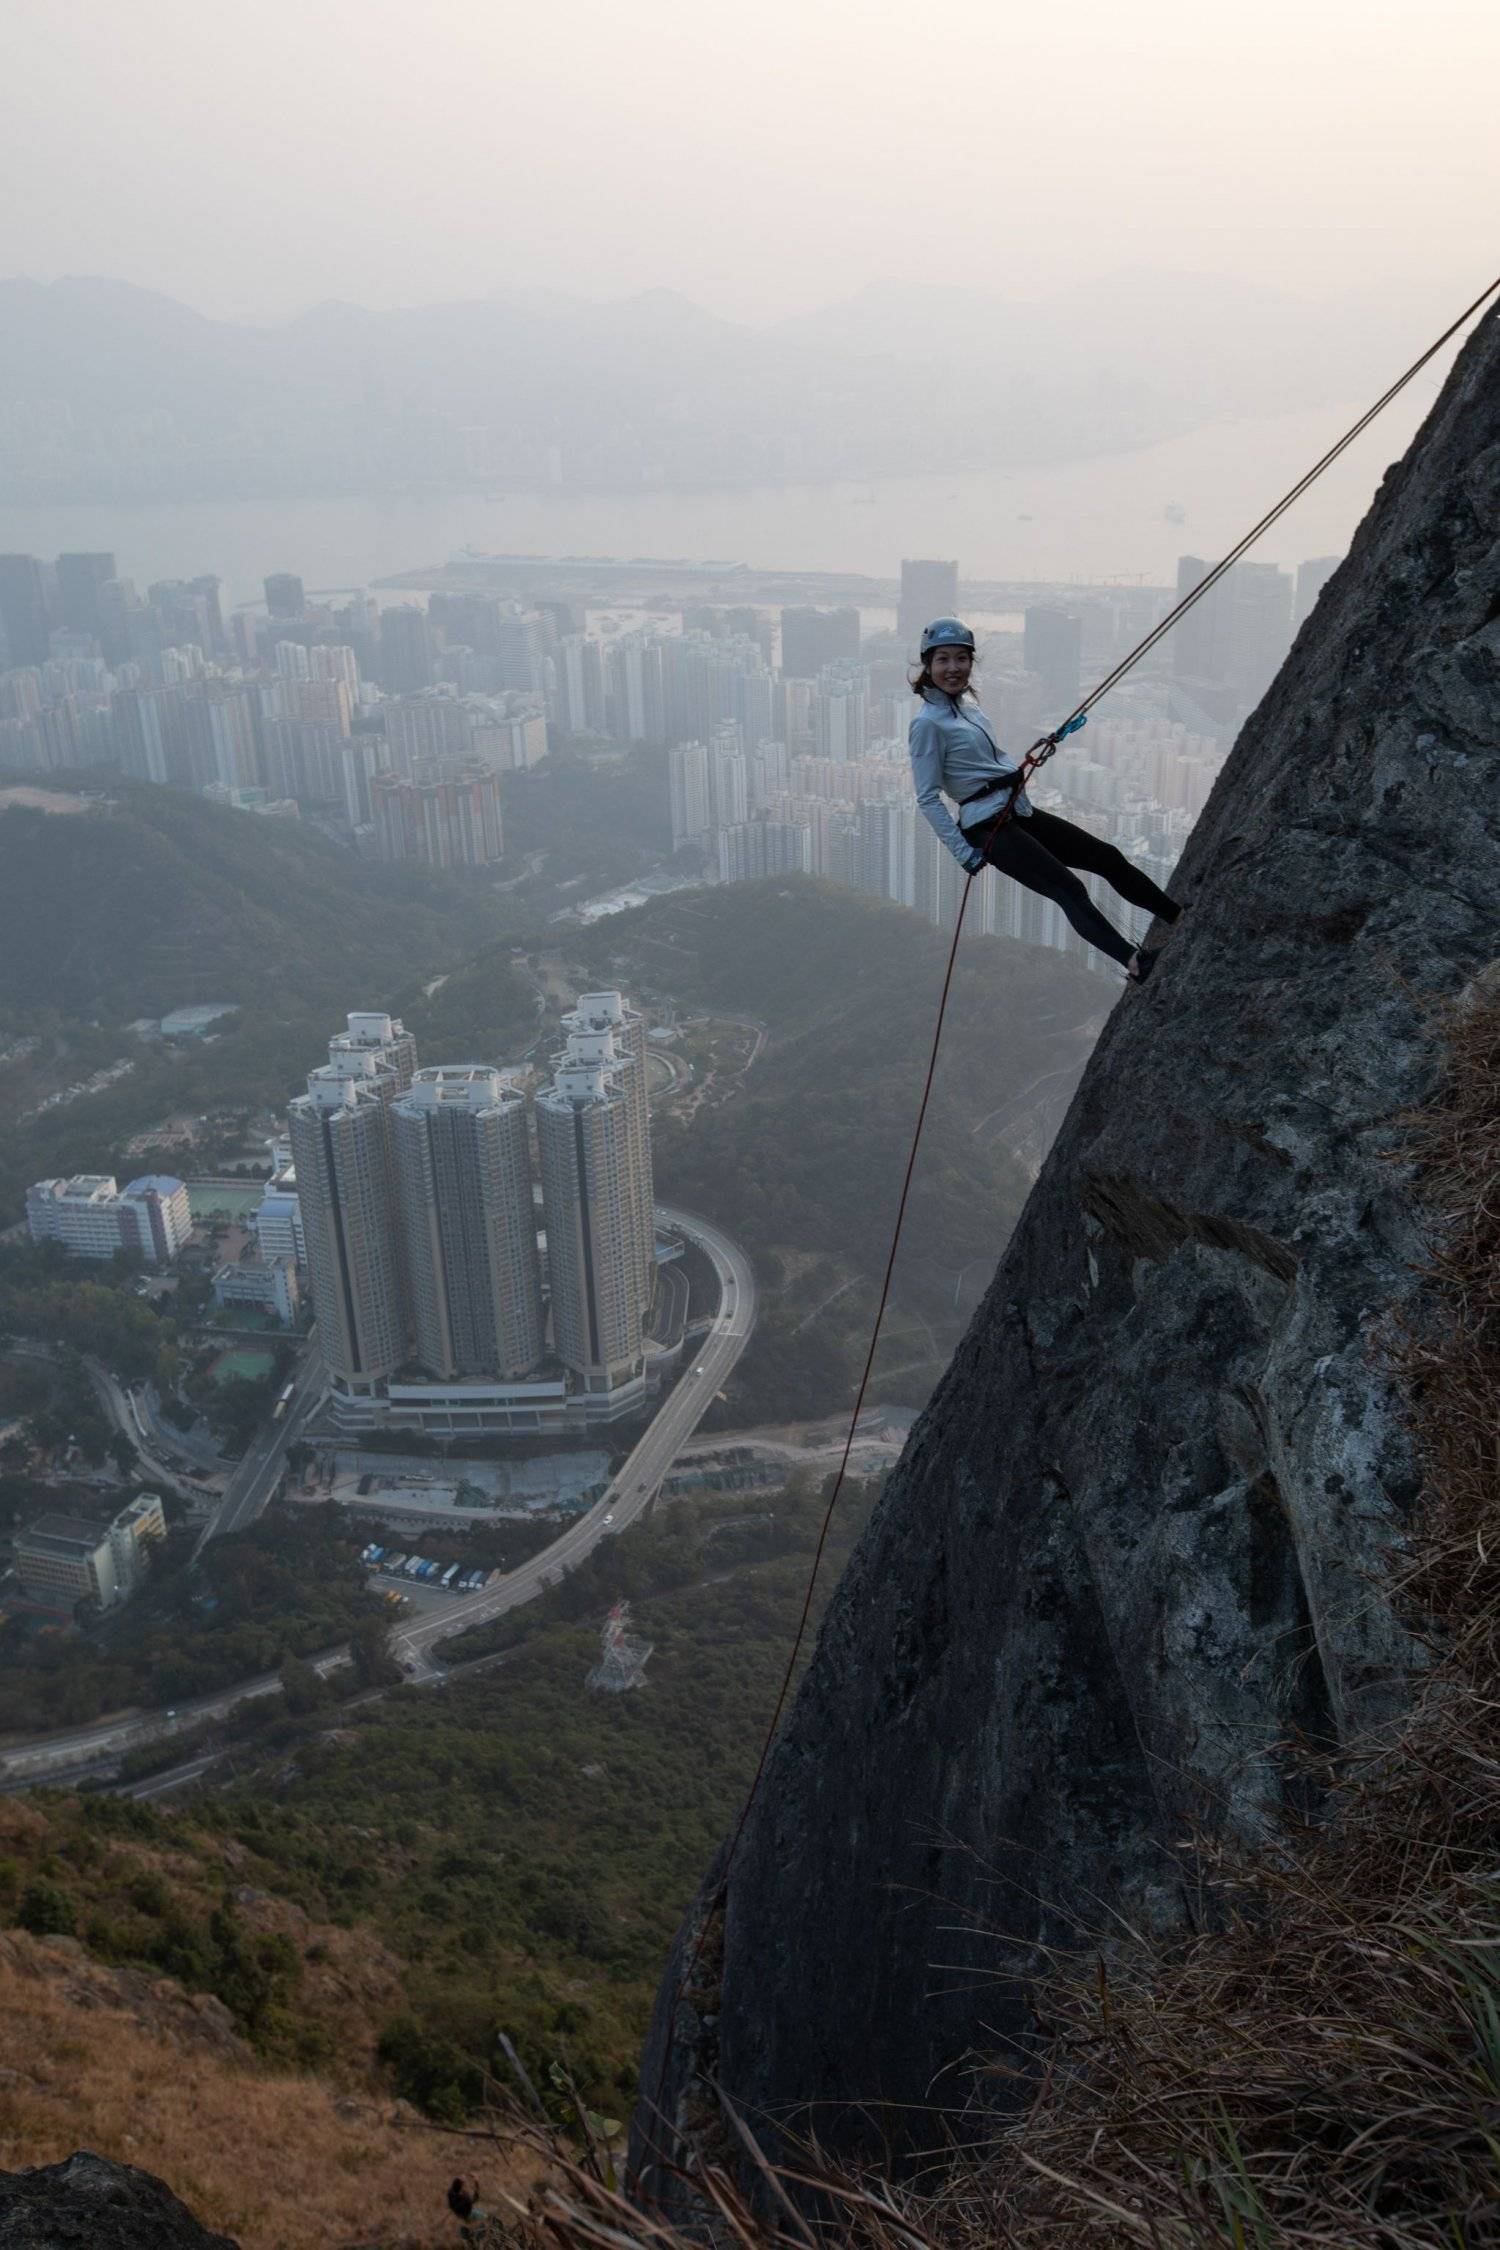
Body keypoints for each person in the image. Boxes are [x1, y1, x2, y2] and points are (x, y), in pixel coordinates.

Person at [908, 617, 1181, 981]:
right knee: (1068, 889)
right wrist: (963, 853)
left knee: (1106, 857)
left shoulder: (968, 707)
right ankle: (1135, 962)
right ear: (928, 665)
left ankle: (1177, 916)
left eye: (962, 658)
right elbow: (927, 798)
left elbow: (985, 762)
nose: (953, 668)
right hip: (987, 829)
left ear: (972, 662)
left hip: (1017, 811)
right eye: (943, 659)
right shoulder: (927, 723)